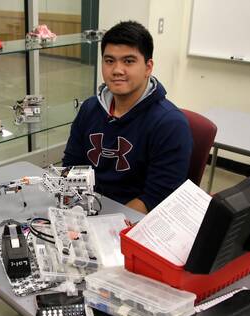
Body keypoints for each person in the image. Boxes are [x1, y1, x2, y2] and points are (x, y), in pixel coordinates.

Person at [63, 21, 193, 214]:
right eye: (109, 61)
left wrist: (105, 224)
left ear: (148, 67)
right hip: (87, 209)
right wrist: (75, 212)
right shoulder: (90, 108)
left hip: (132, 220)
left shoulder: (170, 124)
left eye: (129, 61)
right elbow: (72, 165)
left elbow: (156, 198)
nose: (117, 70)